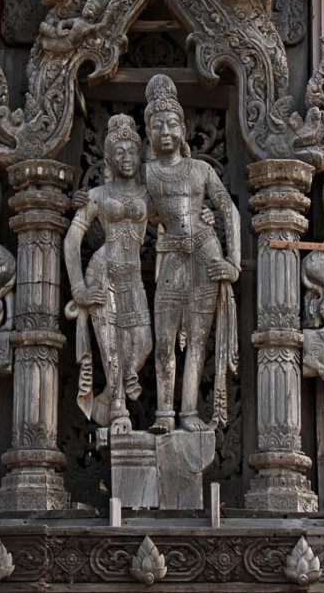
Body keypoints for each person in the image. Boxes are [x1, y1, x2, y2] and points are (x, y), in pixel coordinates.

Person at [144, 75, 240, 434]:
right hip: (171, 256)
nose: (165, 132)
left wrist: (232, 262)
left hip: (205, 253)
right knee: (164, 341)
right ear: (148, 132)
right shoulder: (146, 174)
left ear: (183, 130)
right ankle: (164, 413)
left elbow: (229, 210)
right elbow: (127, 210)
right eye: (157, 125)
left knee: (198, 341)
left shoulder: (201, 170)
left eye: (171, 124)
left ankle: (188, 412)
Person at [65, 115, 152, 434]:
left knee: (143, 343)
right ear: (109, 159)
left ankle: (108, 395)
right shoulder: (98, 195)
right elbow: (72, 240)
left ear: (140, 155)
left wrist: (203, 218)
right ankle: (117, 408)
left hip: (133, 276)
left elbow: (175, 218)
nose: (126, 157)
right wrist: (79, 287)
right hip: (102, 272)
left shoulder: (148, 195)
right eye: (119, 152)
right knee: (110, 346)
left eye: (132, 151)